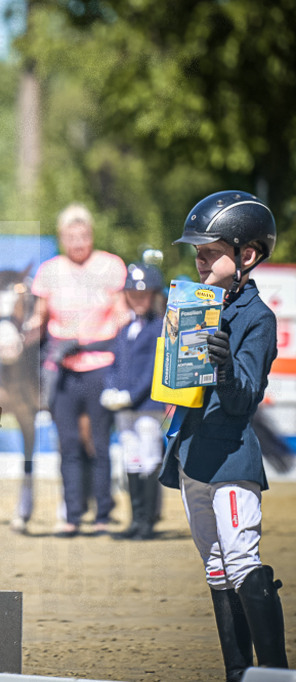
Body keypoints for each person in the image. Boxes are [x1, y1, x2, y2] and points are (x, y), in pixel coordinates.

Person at [158, 191, 288, 680]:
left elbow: (246, 397)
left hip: (231, 456)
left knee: (239, 557)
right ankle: (237, 671)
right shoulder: (193, 305)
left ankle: (274, 671)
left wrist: (226, 367)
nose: (200, 259)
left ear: (246, 256)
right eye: (199, 252)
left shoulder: (257, 318)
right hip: (191, 453)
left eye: (210, 251)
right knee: (215, 565)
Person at [28, 203, 127, 537]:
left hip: (100, 365)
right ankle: (71, 514)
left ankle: (103, 513)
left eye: (83, 234)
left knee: (99, 443)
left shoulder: (111, 266)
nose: (78, 241)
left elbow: (121, 315)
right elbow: (39, 319)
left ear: (91, 235)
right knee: (67, 443)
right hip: (64, 368)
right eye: (71, 235)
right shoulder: (50, 270)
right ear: (61, 238)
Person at [100, 262, 166, 541]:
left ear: (153, 296)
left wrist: (131, 395)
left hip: (147, 405)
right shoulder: (124, 328)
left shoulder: (158, 328)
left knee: (149, 457)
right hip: (124, 407)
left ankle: (147, 520)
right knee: (132, 458)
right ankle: (135, 519)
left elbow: (153, 369)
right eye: (133, 294)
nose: (138, 299)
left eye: (144, 294)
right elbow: (114, 364)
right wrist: (110, 388)